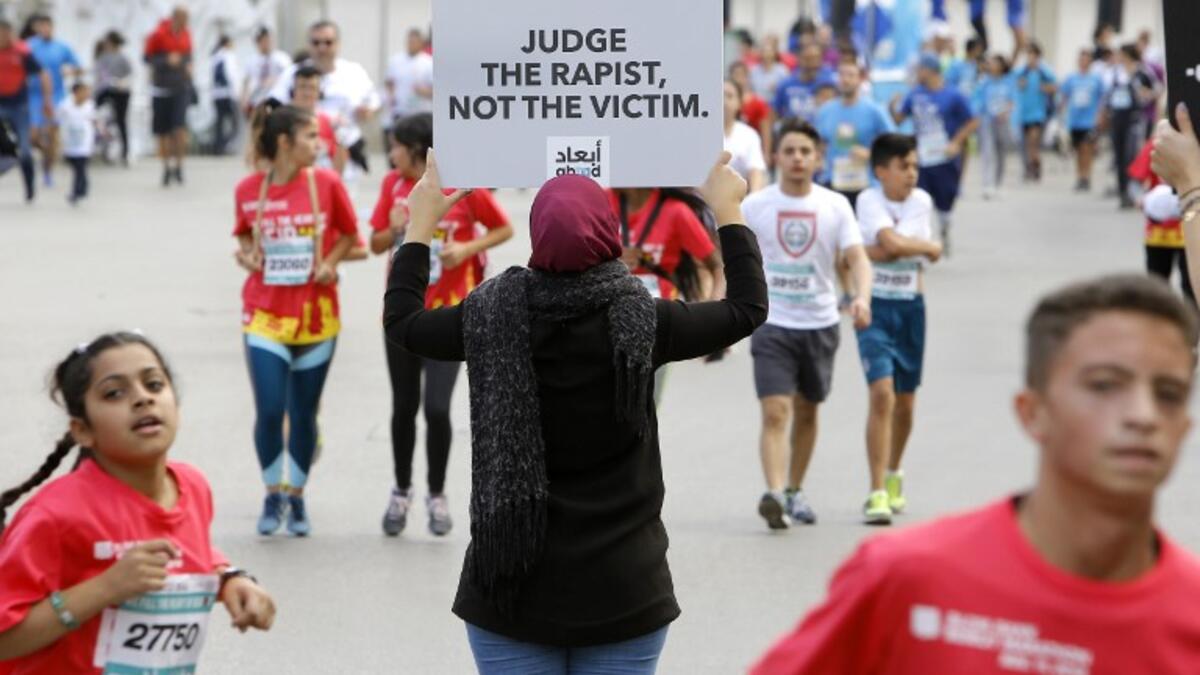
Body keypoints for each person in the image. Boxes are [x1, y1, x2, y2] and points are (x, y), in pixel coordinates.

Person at [382, 149, 766, 674]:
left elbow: (403, 321)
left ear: (538, 235)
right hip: (626, 592)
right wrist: (728, 210)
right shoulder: (647, 321)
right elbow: (747, 309)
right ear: (607, 230)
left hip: (508, 593)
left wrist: (420, 226)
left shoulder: (488, 315)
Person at [752, 274, 1200, 672]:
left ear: (1184, 426)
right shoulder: (907, 576)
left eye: (1169, 393)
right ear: (1033, 412)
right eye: (1105, 385)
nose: (1143, 415)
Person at [0, 332, 276, 673]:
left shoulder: (193, 486)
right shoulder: (55, 515)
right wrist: (105, 588)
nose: (143, 399)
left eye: (155, 385)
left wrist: (231, 579)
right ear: (82, 430)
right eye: (114, 393)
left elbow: (184, 552)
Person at [369, 112, 513, 537]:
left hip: (450, 314)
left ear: (416, 148)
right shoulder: (392, 188)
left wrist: (467, 248)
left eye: (395, 145)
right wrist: (395, 228)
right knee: (403, 406)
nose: (391, 153)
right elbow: (375, 242)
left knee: (436, 408)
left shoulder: (461, 185)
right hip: (400, 313)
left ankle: (436, 494)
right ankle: (400, 490)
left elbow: (503, 228)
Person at [232, 104, 359, 536]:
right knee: (270, 410)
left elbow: (351, 238)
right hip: (264, 315)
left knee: (302, 414)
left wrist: (331, 262)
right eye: (309, 137)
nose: (318, 145)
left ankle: (297, 497)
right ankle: (273, 491)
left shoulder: (326, 183)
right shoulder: (249, 189)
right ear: (284, 142)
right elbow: (246, 236)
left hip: (316, 317)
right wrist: (248, 257)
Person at [742, 118, 873, 529]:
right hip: (772, 322)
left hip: (820, 322)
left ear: (818, 158)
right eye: (790, 151)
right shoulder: (755, 205)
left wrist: (862, 296)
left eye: (805, 152)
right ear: (776, 156)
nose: (797, 158)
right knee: (775, 411)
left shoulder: (834, 205)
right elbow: (727, 254)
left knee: (808, 410)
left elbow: (857, 259)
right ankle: (775, 494)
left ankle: (796, 489)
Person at [854, 134, 943, 525]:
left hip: (912, 307)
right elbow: (890, 245)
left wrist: (900, 248)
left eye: (914, 167)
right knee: (882, 394)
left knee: (906, 402)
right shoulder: (869, 200)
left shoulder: (922, 201)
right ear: (881, 171)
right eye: (904, 166)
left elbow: (890, 248)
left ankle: (893, 472)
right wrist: (921, 247)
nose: (912, 174)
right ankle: (875, 492)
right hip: (876, 306)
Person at [268, 20, 381, 177]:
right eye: (316, 42)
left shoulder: (354, 72)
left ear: (338, 44)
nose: (322, 48)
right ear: (309, 45)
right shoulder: (293, 73)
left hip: (344, 151)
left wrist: (369, 111)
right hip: (304, 153)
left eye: (328, 42)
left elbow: (373, 100)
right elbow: (272, 106)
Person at [890, 54, 977, 255]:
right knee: (919, 198)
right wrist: (892, 106)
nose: (917, 73)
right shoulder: (915, 94)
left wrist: (956, 142)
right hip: (921, 158)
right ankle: (922, 243)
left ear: (930, 70)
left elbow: (972, 121)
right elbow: (898, 119)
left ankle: (945, 227)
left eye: (920, 69)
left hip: (945, 157)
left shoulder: (954, 95)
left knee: (945, 199)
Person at [815, 56, 894, 207]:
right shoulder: (825, 111)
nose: (845, 80)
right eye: (842, 75)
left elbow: (892, 144)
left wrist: (871, 154)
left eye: (850, 75)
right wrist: (818, 158)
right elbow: (818, 143)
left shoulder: (875, 111)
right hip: (833, 183)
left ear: (860, 79)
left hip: (866, 185)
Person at [1129, 138, 1193, 303]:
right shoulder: (1158, 144)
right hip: (1159, 231)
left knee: (1191, 287)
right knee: (1157, 288)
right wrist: (1140, 199)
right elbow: (1135, 180)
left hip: (1192, 231)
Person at [25, 14, 80, 189]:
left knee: (52, 135)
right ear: (37, 28)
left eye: (48, 26)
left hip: (56, 96)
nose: (45, 30)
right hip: (34, 96)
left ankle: (48, 170)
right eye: (41, 27)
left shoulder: (62, 47)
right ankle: (44, 154)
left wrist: (69, 72)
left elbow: (78, 67)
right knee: (32, 136)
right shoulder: (29, 46)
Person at [1101, 44, 1158, 210]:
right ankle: (1122, 192)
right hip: (1117, 118)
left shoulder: (1142, 72)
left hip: (1134, 119)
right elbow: (1108, 95)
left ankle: (1134, 191)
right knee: (1118, 157)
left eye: (1122, 55)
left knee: (1130, 156)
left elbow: (1156, 90)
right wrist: (1104, 114)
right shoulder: (1115, 73)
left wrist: (1145, 95)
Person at [0, 18, 50, 202]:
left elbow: (43, 73)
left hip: (18, 106)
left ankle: (29, 186)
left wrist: (47, 100)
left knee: (26, 151)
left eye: (5, 33)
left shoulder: (22, 52)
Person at [143, 5, 193, 187]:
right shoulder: (158, 34)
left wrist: (187, 66)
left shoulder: (187, 34)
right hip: (161, 89)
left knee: (179, 130)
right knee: (163, 132)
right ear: (175, 18)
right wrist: (166, 60)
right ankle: (166, 167)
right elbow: (147, 58)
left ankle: (179, 165)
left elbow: (188, 56)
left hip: (180, 88)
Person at [1059, 49, 1105, 192]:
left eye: (1086, 59)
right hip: (1074, 120)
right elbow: (1064, 96)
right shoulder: (1072, 78)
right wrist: (1061, 111)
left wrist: (1100, 115)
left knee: (1087, 149)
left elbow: (1102, 98)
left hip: (1089, 120)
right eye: (1081, 59)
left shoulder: (1096, 79)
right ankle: (1079, 176)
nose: (1083, 62)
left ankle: (1086, 176)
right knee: (1078, 150)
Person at [972, 53, 1016, 200]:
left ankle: (998, 183)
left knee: (1001, 152)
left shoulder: (1008, 82)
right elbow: (977, 100)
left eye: (994, 63)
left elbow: (1012, 100)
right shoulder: (984, 82)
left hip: (1003, 121)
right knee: (987, 151)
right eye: (990, 63)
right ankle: (987, 184)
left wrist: (1006, 112)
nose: (991, 65)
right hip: (987, 120)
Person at [1011, 41, 1056, 183]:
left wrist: (1046, 87)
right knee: (1025, 144)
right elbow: (1012, 85)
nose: (1030, 58)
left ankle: (1034, 165)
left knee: (1033, 141)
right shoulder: (1021, 71)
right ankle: (1031, 166)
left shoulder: (1044, 72)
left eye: (1033, 54)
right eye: (1028, 54)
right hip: (1023, 112)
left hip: (1038, 113)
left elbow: (1054, 87)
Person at [290, 65, 345, 174]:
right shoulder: (281, 120)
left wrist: (341, 141)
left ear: (319, 92)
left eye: (312, 88)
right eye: (302, 87)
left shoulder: (328, 122)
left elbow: (337, 166)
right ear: (293, 90)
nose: (307, 93)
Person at [384, 29, 433, 139]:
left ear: (421, 43)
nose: (411, 45)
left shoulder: (428, 62)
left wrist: (423, 91)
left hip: (420, 113)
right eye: (409, 41)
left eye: (414, 42)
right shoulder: (396, 61)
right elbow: (389, 82)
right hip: (400, 112)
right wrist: (391, 97)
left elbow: (436, 90)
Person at [772, 43, 837, 125]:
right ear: (800, 59)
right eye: (809, 59)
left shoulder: (828, 85)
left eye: (817, 59)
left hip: (818, 134)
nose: (813, 63)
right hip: (793, 133)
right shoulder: (786, 85)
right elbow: (774, 112)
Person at [93, 31, 132, 166]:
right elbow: (99, 75)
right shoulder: (102, 57)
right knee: (96, 116)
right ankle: (98, 145)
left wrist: (121, 82)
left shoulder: (122, 58)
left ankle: (125, 152)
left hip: (120, 92)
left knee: (121, 121)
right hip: (104, 91)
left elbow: (129, 75)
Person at [723, 79, 768, 193]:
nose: (723, 100)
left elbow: (756, 172)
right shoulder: (698, 133)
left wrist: (753, 201)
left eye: (729, 96)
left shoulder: (749, 135)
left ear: (739, 103)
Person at [57, 81, 95, 206]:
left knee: (80, 167)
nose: (86, 94)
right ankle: (83, 186)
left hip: (84, 142)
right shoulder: (65, 105)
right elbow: (58, 120)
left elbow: (94, 121)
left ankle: (76, 191)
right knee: (77, 167)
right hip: (70, 142)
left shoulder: (90, 106)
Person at [241, 27, 291, 118]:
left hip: (277, 100)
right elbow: (246, 82)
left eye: (268, 40)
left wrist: (275, 80)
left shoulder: (282, 58)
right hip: (257, 101)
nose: (267, 43)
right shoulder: (251, 60)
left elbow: (288, 77)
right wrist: (244, 100)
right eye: (263, 40)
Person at [729, 61, 772, 165]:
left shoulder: (758, 103)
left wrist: (766, 153)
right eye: (735, 74)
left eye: (742, 75)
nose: (738, 78)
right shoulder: (723, 103)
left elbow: (765, 130)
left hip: (749, 151)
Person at [210, 35, 242, 156]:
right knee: (235, 123)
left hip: (217, 94)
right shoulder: (228, 56)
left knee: (219, 122)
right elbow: (231, 75)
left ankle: (218, 147)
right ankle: (224, 145)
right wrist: (237, 92)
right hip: (228, 93)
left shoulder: (214, 56)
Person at [750, 37, 792, 103]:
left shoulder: (782, 70)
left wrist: (778, 88)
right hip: (758, 106)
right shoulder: (754, 70)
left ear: (774, 53)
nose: (767, 54)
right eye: (764, 51)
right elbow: (750, 90)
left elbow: (788, 89)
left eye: (769, 51)